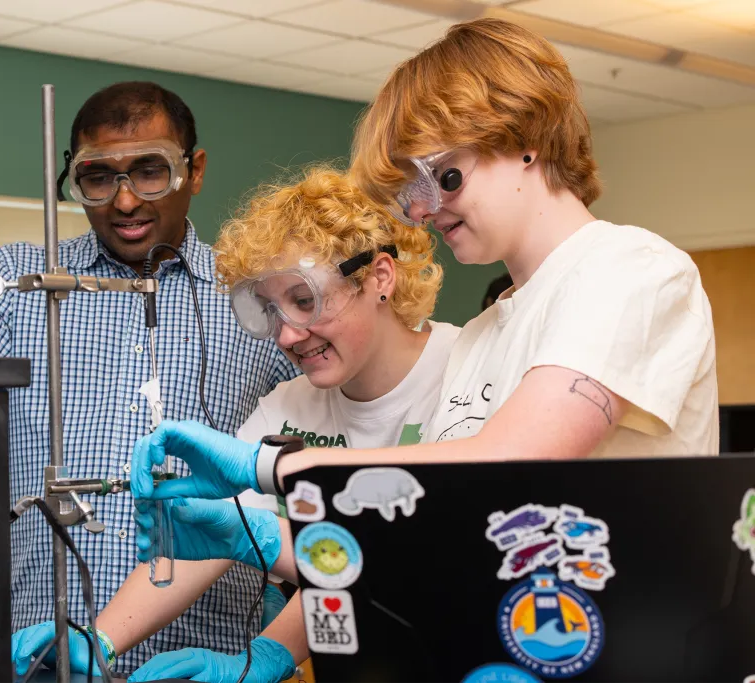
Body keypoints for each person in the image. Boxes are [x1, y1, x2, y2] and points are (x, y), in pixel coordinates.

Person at [129, 17, 719, 681]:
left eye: (445, 177)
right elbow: (436, 530)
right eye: (412, 189)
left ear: (525, 138)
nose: (421, 211)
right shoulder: (483, 334)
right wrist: (270, 568)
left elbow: (510, 463)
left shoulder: (629, 268)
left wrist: (272, 473)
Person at [12, 167, 458, 679]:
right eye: (269, 310)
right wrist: (103, 637)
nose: (287, 337)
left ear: (379, 276)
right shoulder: (287, 407)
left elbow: (420, 555)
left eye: (305, 300)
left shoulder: (464, 369)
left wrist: (269, 646)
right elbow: (218, 533)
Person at [0, 81, 299, 672]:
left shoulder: (255, 294)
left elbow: (316, 472)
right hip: (39, 653)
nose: (124, 201)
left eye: (150, 171)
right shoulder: (18, 286)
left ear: (195, 170)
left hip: (204, 657)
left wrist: (269, 654)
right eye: (98, 177)